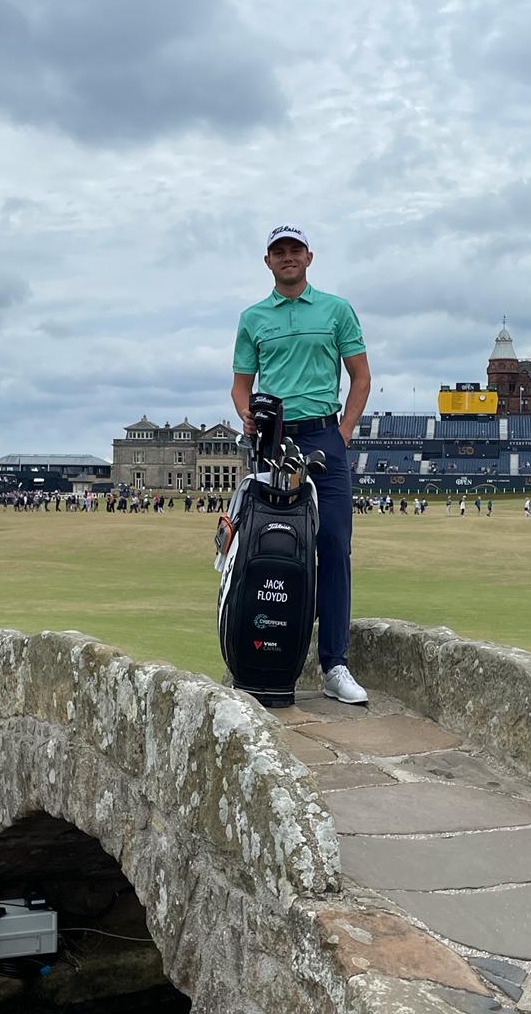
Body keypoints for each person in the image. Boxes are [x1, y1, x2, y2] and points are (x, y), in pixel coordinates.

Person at [231, 224, 372, 705]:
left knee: (334, 545)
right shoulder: (253, 318)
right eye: (278, 252)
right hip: (272, 441)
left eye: (294, 250)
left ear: (309, 257)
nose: (287, 257)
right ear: (267, 261)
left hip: (323, 437)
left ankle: (334, 663)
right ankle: (258, 656)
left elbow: (360, 378)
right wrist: (245, 414)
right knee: (263, 547)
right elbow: (241, 385)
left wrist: (343, 434)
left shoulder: (336, 310)